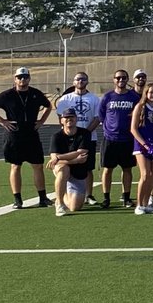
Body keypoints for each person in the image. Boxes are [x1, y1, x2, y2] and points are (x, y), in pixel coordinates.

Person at [0, 67, 53, 209]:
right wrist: (1, 121)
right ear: (15, 79)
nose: (23, 80)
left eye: (25, 77)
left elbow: (48, 106)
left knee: (38, 165)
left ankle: (43, 198)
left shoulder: (35, 93)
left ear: (29, 78)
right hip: (14, 134)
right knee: (15, 166)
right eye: (20, 77)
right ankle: (18, 199)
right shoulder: (8, 95)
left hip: (31, 133)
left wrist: (41, 121)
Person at [55, 72, 100, 205]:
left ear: (87, 81)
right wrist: (71, 133)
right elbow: (61, 118)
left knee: (88, 167)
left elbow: (97, 118)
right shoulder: (65, 99)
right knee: (65, 163)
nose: (80, 81)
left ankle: (89, 195)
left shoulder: (94, 99)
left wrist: (84, 134)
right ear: (73, 82)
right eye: (78, 79)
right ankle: (64, 193)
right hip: (70, 139)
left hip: (89, 138)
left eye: (83, 79)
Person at [97, 70, 140, 209]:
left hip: (127, 139)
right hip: (110, 139)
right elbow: (101, 115)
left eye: (123, 78)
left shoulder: (133, 96)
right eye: (118, 78)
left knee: (127, 169)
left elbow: (139, 114)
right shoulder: (108, 97)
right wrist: (110, 128)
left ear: (127, 79)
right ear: (114, 80)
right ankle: (106, 198)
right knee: (107, 170)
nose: (121, 80)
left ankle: (126, 197)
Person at [130, 83, 153, 215]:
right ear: (146, 94)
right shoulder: (139, 107)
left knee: (152, 176)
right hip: (142, 144)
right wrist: (145, 145)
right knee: (145, 174)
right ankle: (139, 205)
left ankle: (146, 204)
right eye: (151, 92)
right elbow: (133, 129)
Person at [47, 109, 90, 216]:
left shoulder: (84, 133)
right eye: (66, 117)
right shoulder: (56, 136)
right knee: (63, 169)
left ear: (76, 119)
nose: (69, 119)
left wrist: (59, 157)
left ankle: (64, 191)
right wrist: (75, 160)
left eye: (71, 117)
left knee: (74, 207)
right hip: (63, 167)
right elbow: (54, 159)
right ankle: (59, 203)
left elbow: (81, 153)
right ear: (61, 120)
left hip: (78, 171)